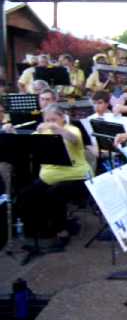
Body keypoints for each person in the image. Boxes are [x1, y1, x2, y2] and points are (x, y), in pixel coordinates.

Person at [16, 104, 90, 247]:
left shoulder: (72, 129)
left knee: (55, 192)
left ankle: (61, 230)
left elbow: (74, 139)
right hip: (49, 177)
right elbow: (25, 144)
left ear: (62, 118)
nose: (50, 123)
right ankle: (37, 230)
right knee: (27, 194)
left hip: (76, 177)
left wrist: (58, 130)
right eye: (47, 120)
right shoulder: (42, 133)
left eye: (54, 119)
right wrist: (13, 131)